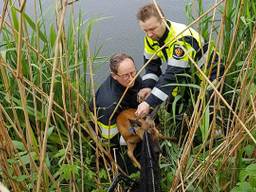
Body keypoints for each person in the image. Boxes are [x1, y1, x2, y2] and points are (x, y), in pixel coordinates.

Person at [135, 3, 224, 118]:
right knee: (173, 109)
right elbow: (152, 67)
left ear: (163, 20)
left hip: (209, 74)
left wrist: (149, 102)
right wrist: (147, 86)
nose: (149, 34)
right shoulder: (150, 39)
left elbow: (172, 75)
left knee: (200, 113)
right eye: (145, 30)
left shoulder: (181, 39)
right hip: (185, 73)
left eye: (152, 29)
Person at [89, 53, 142, 174]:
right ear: (114, 76)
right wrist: (135, 131)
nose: (131, 78)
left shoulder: (131, 77)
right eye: (126, 76)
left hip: (126, 114)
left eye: (133, 72)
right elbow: (110, 139)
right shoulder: (109, 104)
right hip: (108, 132)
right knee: (124, 164)